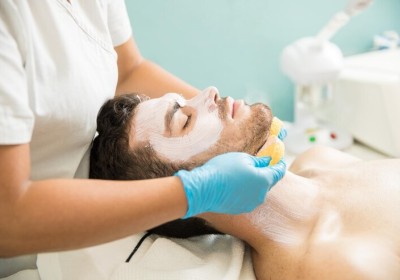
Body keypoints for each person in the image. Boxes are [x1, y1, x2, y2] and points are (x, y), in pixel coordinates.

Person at [0, 1, 286, 278]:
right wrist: (195, 191)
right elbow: (8, 219)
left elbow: (128, 72)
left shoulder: (316, 164)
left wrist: (233, 123)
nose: (212, 90)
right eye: (184, 122)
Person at [90, 89, 400, 279]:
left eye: (185, 100)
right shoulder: (335, 266)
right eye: (184, 120)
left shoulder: (319, 159)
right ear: (192, 187)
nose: (209, 91)